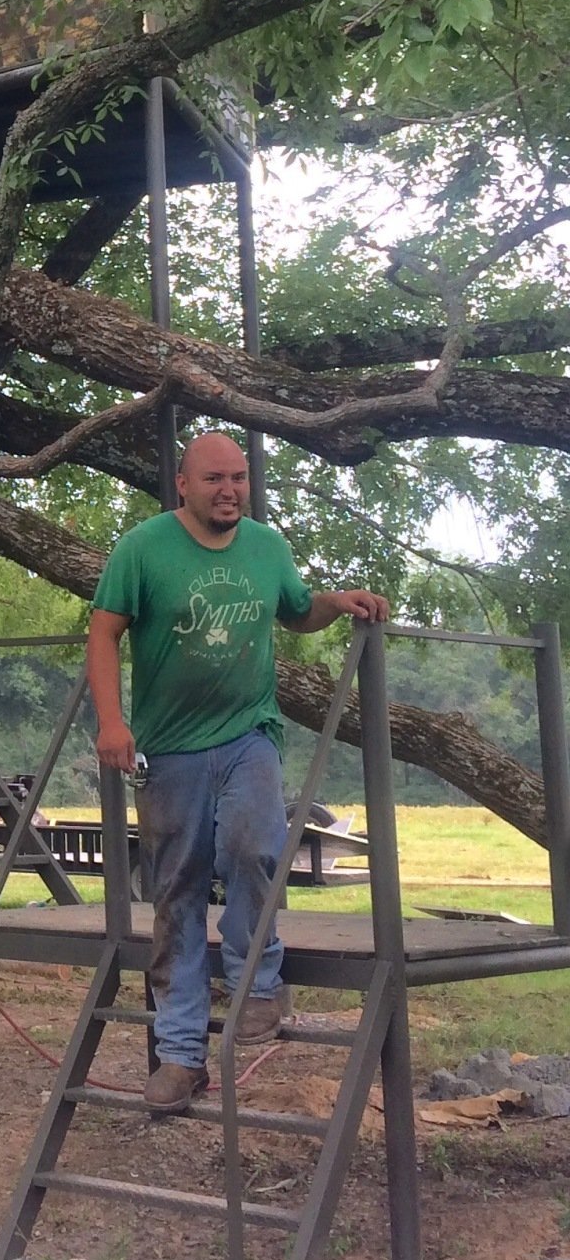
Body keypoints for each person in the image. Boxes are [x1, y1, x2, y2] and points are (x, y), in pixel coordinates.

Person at [87, 431, 389, 1114]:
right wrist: (111, 722)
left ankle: (257, 982)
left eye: (240, 479)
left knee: (255, 845)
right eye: (216, 479)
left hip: (250, 733)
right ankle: (181, 1054)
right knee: (177, 896)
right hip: (169, 750)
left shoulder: (267, 547)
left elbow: (295, 610)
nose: (230, 491)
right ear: (184, 487)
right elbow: (102, 632)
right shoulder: (143, 548)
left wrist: (336, 602)